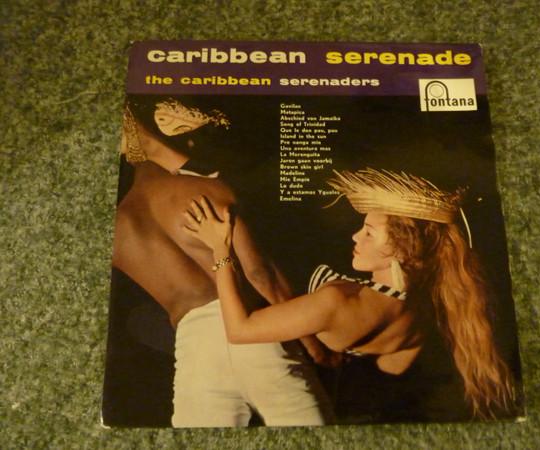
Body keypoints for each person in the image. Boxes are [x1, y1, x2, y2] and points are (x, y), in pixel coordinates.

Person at [183, 168, 518, 421]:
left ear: (404, 247)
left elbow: (239, 330)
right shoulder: (432, 299)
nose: (356, 237)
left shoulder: (341, 302)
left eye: (369, 232)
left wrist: (220, 249)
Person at [109, 100, 332, 427]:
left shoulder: (116, 224)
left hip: (194, 350)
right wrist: (314, 345)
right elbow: (260, 274)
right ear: (186, 138)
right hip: (255, 329)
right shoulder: (206, 189)